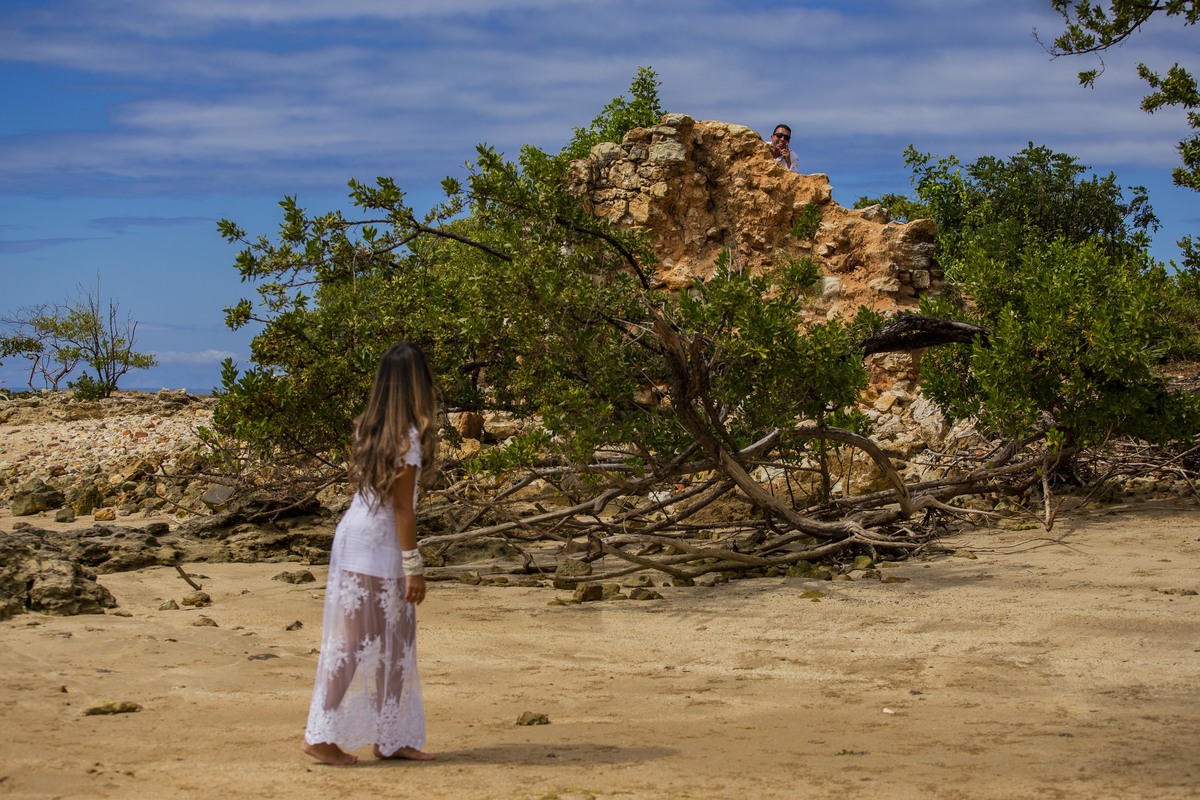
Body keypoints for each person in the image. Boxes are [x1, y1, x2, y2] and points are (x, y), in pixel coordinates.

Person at [301, 342, 440, 767]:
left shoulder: (371, 428)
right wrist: (414, 566)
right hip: (378, 543)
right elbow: (402, 508)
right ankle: (319, 735)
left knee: (391, 640)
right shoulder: (407, 437)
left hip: (358, 535)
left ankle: (390, 736)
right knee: (359, 640)